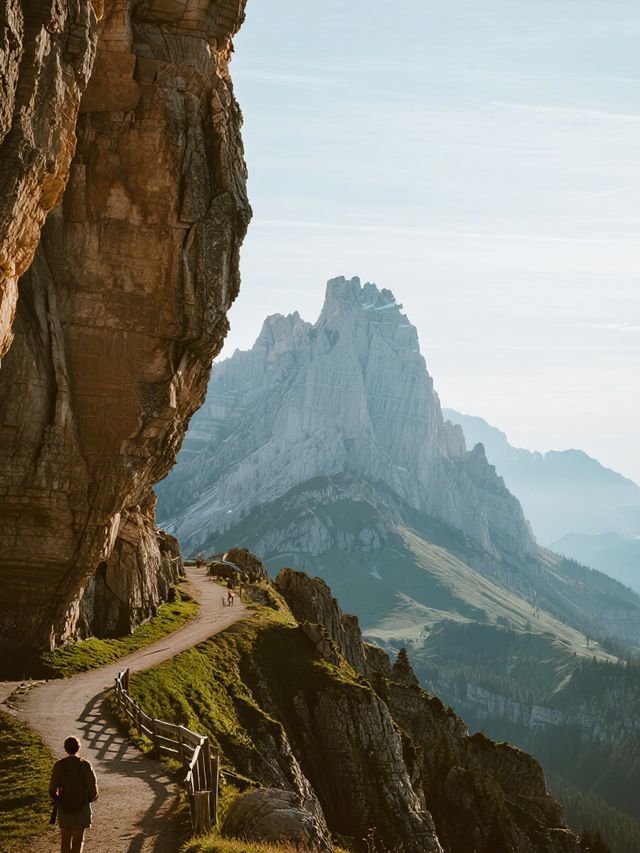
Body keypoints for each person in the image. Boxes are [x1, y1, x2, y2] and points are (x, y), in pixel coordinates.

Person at [49, 736, 98, 853]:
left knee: (65, 840)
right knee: (78, 840)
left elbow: (51, 789)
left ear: (65, 748)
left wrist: (58, 799)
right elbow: (93, 788)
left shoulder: (59, 766)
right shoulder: (85, 765)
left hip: (64, 808)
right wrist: (89, 799)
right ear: (78, 748)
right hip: (82, 807)